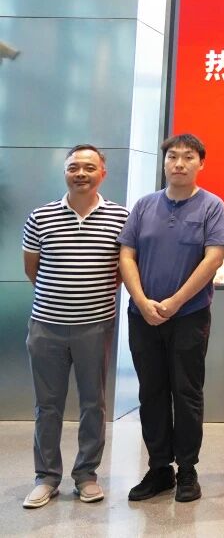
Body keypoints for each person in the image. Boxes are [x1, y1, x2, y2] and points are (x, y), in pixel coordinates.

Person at [118, 133, 224, 503]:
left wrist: (175, 302)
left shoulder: (211, 206)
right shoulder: (144, 206)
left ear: (201, 163)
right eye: (172, 157)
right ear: (164, 162)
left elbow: (213, 258)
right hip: (143, 316)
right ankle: (159, 469)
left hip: (189, 317)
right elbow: (126, 255)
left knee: (186, 392)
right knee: (150, 392)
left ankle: (187, 470)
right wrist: (141, 300)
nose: (179, 163)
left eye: (188, 157)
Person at [21, 145, 129, 509]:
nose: (80, 173)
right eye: (73, 167)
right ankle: (46, 477)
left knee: (93, 403)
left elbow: (121, 270)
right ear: (65, 172)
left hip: (95, 327)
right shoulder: (41, 216)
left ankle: (86, 475)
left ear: (103, 173)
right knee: (47, 406)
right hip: (46, 326)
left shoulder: (121, 217)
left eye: (89, 167)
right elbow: (32, 268)